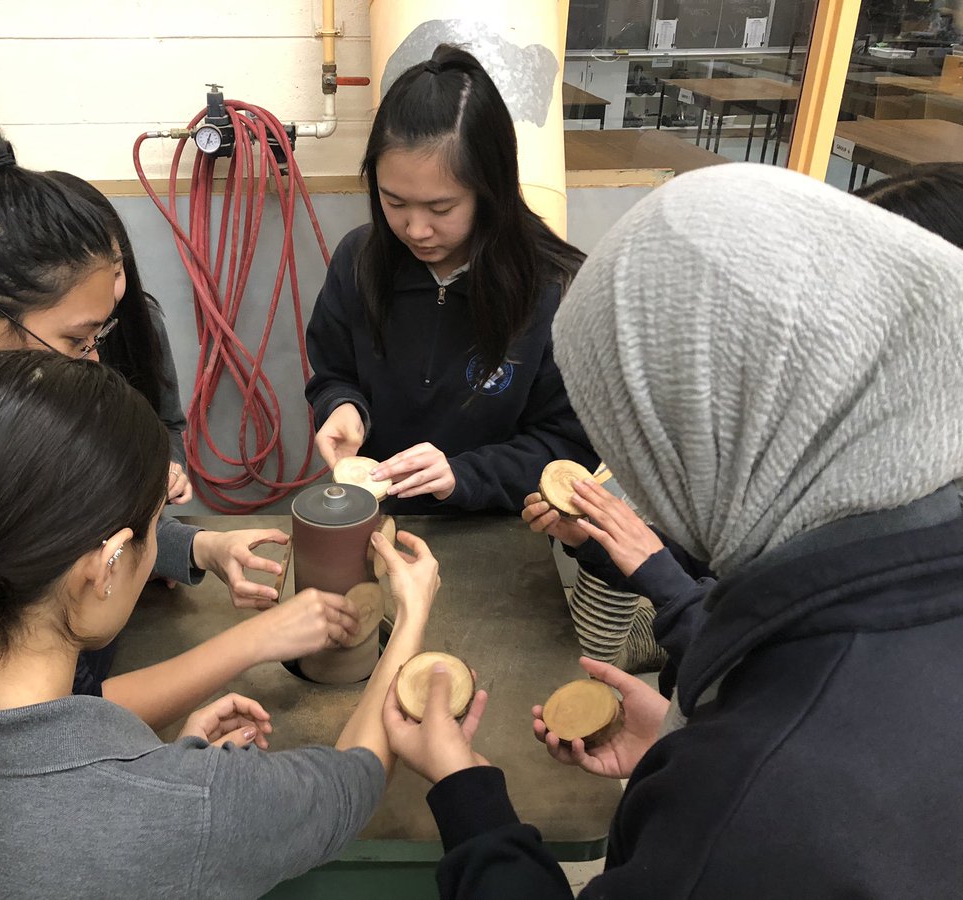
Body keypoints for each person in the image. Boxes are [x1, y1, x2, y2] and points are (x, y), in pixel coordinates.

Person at [387, 163, 963, 897]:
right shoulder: (914, 560)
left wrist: (465, 786)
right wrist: (698, 715)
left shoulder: (745, 809)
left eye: (635, 447)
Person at [0, 350, 441, 898]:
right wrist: (407, 621)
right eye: (158, 530)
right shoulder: (191, 811)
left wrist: (151, 766)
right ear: (105, 568)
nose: (163, 544)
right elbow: (351, 783)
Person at [0, 126, 294, 698]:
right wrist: (248, 646)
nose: (96, 359)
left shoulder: (10, 407)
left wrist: (194, 546)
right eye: (78, 341)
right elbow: (26, 734)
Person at [520, 160, 963, 696]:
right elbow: (722, 562)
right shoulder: (850, 448)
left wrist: (662, 580)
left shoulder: (907, 531)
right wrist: (603, 543)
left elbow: (772, 678)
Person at [305, 44, 595, 515]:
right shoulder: (359, 260)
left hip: (497, 531)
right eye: (394, 202)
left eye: (441, 208)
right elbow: (333, 371)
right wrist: (341, 405)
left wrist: (464, 475)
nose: (416, 230)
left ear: (491, 190)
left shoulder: (555, 289)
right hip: (378, 515)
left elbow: (569, 446)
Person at [45, 170, 193, 505]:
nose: (91, 354)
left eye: (116, 272)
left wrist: (168, 468)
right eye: (75, 342)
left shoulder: (143, 323)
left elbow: (167, 423)